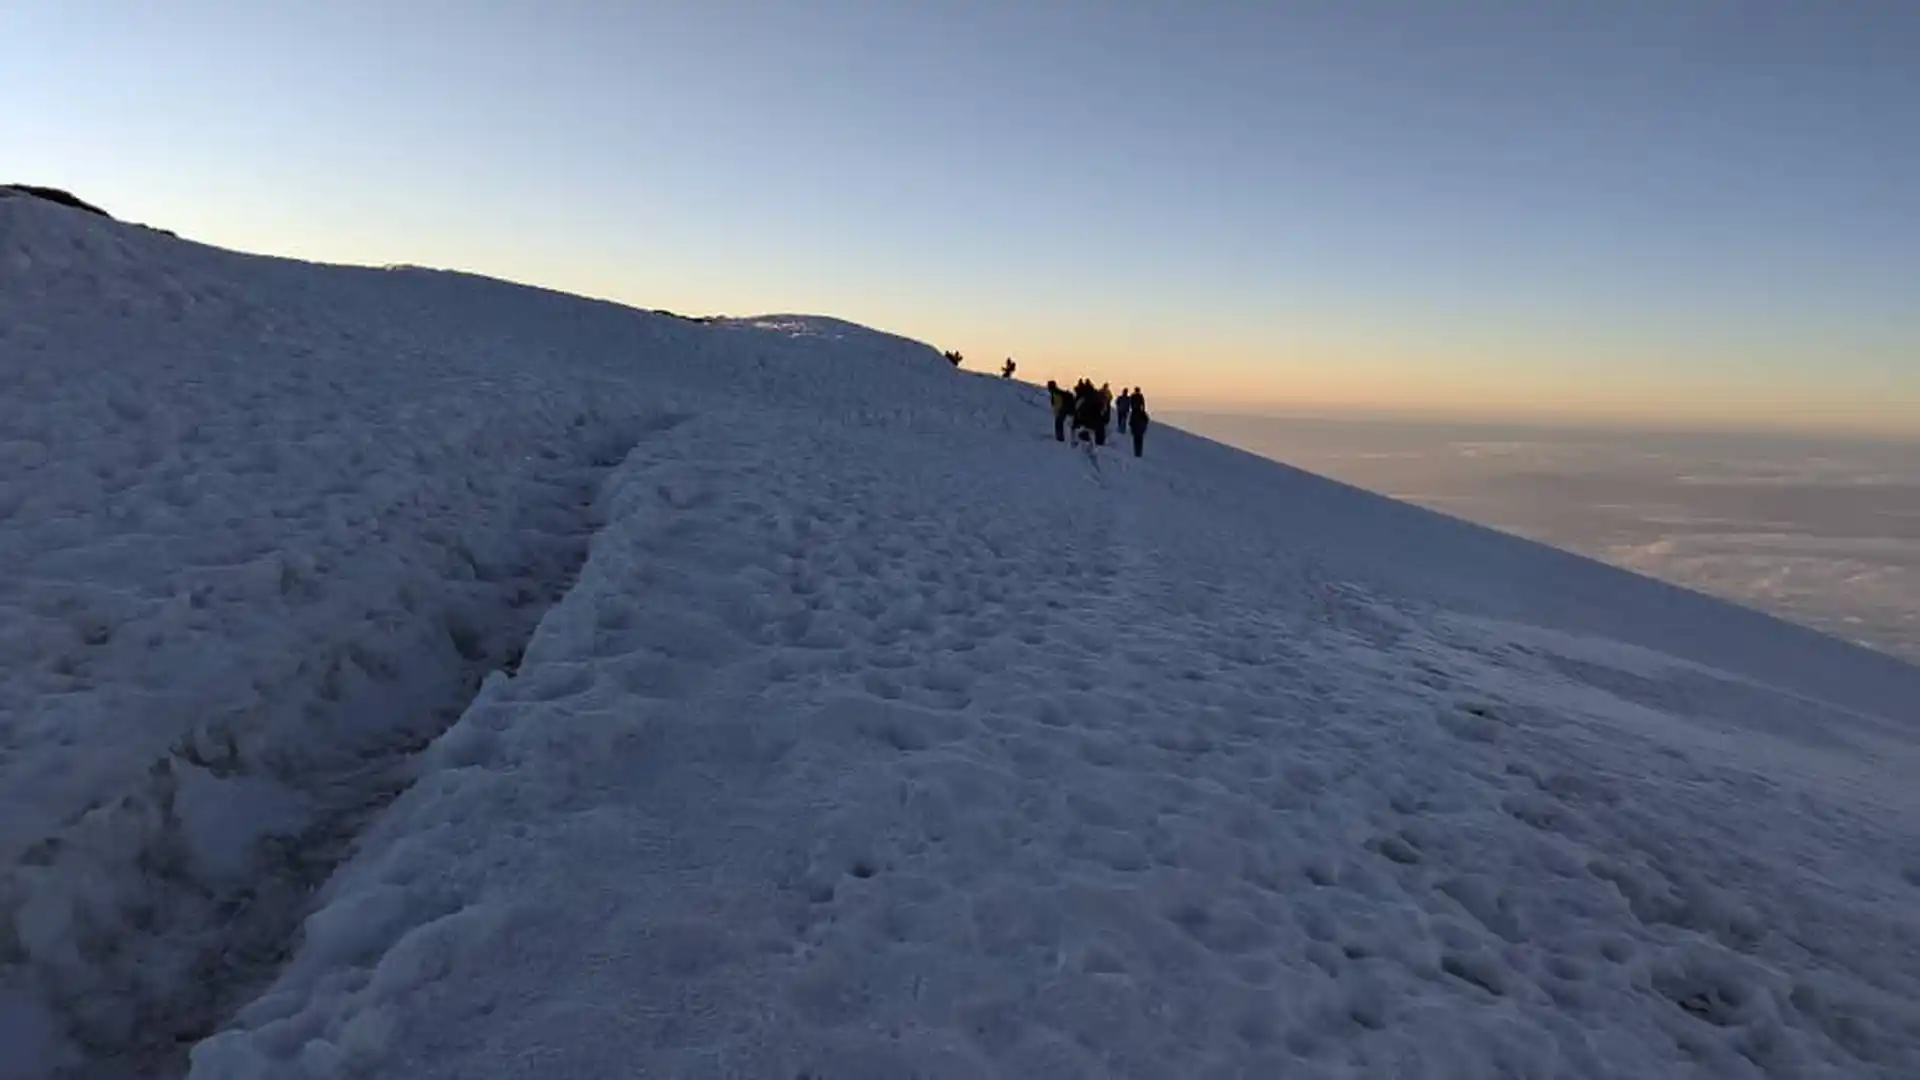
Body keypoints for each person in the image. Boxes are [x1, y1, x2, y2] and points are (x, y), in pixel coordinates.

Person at [1128, 389, 1149, 457]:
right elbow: (1146, 420)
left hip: (1135, 428)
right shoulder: (1141, 412)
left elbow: (1130, 422)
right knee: (1140, 440)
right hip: (1140, 429)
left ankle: (1136, 452)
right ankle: (1139, 453)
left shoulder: (1133, 413)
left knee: (1136, 440)